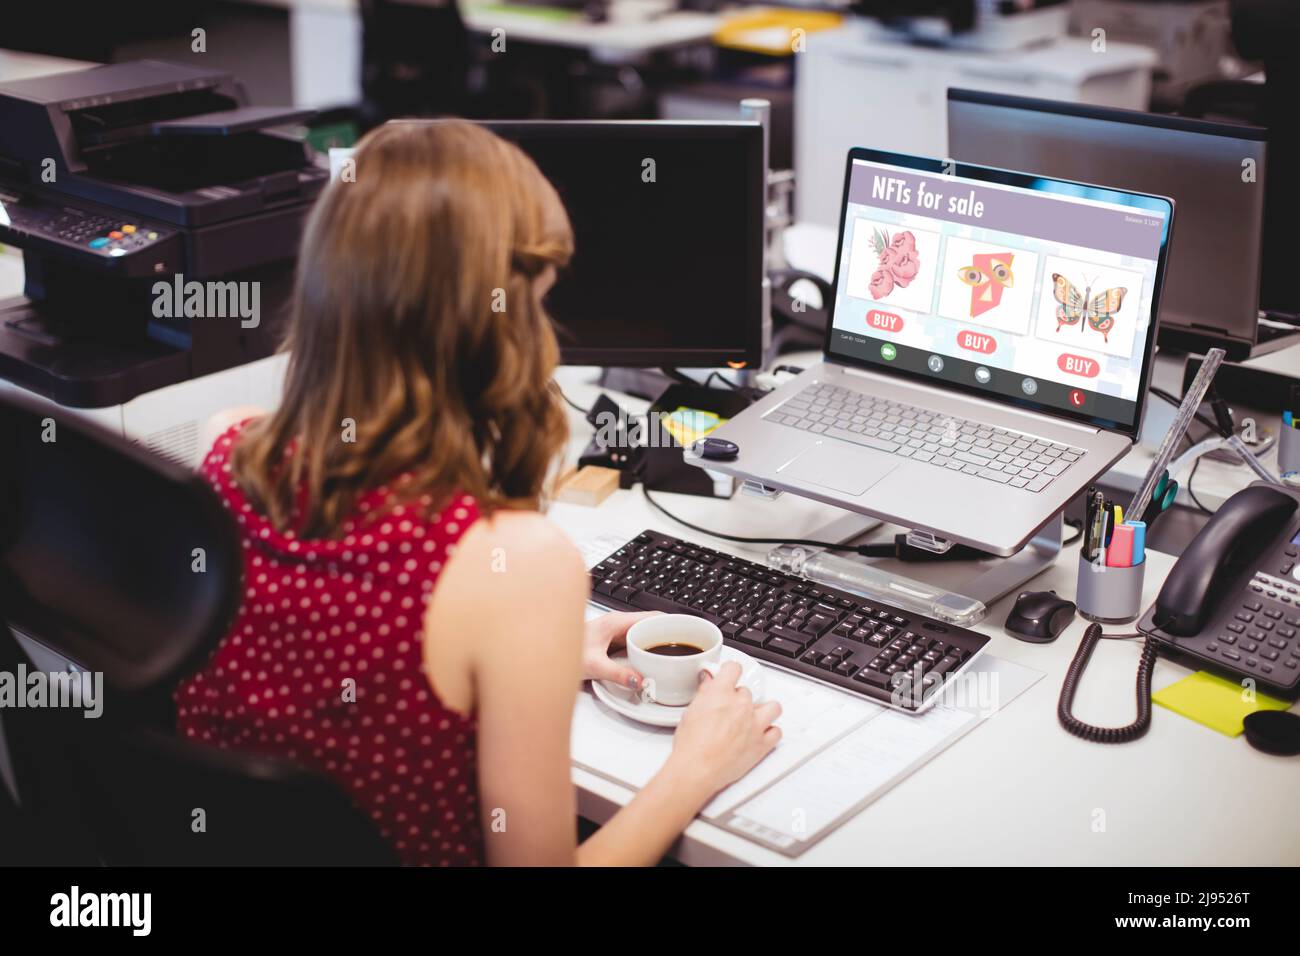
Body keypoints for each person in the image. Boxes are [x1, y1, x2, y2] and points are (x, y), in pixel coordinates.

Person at [175, 120, 781, 866]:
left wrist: (530, 655)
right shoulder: (515, 563)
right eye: (539, 304)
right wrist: (697, 767)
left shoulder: (227, 449)